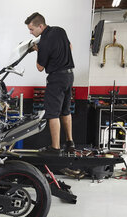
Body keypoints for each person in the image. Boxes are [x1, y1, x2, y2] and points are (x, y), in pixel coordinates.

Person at [25, 12, 75, 155]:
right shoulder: (60, 30)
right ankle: (70, 142)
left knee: (52, 114)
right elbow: (70, 47)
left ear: (40, 26)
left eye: (32, 29)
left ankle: (55, 148)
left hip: (56, 79)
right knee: (66, 110)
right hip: (69, 76)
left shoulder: (44, 42)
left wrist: (37, 51)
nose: (30, 32)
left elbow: (40, 68)